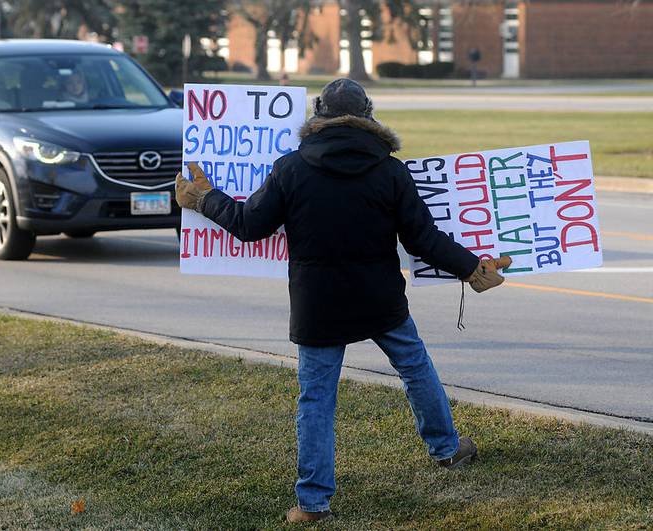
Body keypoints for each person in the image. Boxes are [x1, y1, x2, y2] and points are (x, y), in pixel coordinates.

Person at [175, 79, 510, 524]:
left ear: (319, 115)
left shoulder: (291, 169)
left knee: (316, 398)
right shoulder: (390, 170)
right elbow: (423, 240)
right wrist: (471, 268)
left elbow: (249, 224)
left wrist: (203, 198)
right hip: (381, 299)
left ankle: (313, 503)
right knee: (415, 368)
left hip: (319, 304)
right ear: (369, 117)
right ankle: (447, 450)